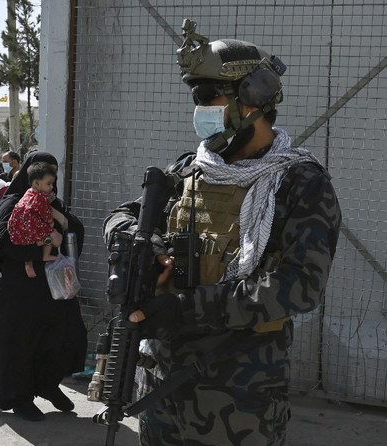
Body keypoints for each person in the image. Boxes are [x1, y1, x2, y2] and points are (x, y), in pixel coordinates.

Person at [103, 20, 342, 445]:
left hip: (238, 401)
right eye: (197, 96)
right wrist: (136, 243)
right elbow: (124, 216)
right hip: (162, 391)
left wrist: (183, 310)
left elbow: (299, 286)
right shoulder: (190, 170)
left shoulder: (299, 183)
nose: (200, 109)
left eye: (208, 96)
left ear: (251, 99)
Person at [0, 151, 87, 421]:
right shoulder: (14, 202)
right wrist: (41, 241)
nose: (49, 182)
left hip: (55, 288)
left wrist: (58, 217)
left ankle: (47, 384)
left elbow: (73, 232)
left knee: (65, 337)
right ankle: (21, 398)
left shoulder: (53, 202)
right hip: (22, 290)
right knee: (21, 345)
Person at [7, 162, 58, 278]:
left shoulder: (28, 192)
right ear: (36, 183)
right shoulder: (40, 197)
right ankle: (46, 255)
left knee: (29, 247)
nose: (51, 187)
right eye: (49, 184)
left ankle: (28, 264)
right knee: (49, 234)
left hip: (16, 232)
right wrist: (51, 222)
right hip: (28, 231)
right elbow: (45, 213)